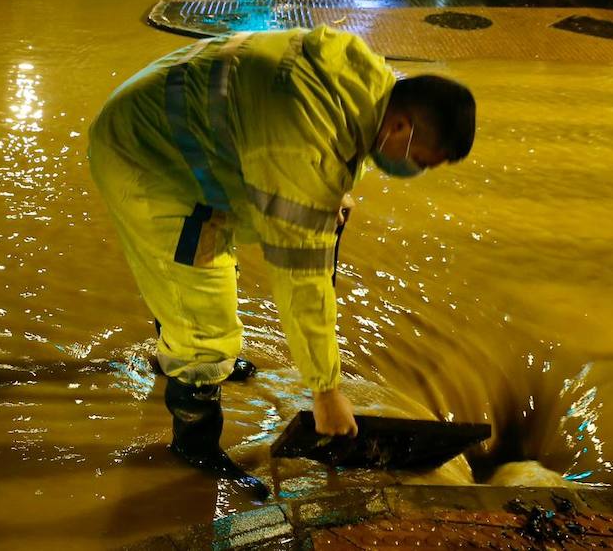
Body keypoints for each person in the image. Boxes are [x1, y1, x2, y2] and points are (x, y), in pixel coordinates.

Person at [88, 27, 476, 494]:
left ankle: (185, 353)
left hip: (190, 140)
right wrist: (327, 391)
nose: (416, 171)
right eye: (422, 160)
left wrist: (326, 192)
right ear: (399, 127)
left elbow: (308, 151)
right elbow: (301, 277)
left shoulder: (360, 79)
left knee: (204, 275)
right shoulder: (300, 144)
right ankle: (192, 444)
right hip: (147, 157)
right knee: (202, 308)